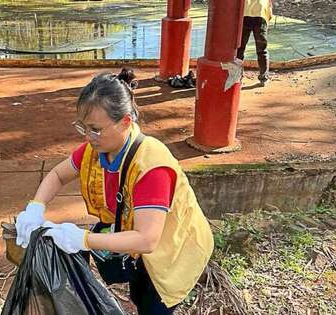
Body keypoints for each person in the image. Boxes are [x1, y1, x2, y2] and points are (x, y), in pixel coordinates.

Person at [15, 68, 214, 315]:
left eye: (95, 129)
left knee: (156, 302)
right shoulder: (96, 149)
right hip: (137, 247)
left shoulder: (151, 165)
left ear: (125, 122)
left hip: (171, 251)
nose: (88, 137)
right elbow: (57, 175)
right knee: (140, 293)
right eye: (83, 127)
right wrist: (36, 206)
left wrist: (82, 240)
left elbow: (147, 239)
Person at [236, 0, 273, 87]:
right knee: (261, 49)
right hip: (260, 14)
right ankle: (264, 78)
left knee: (240, 49)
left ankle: (236, 78)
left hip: (246, 14)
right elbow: (269, 4)